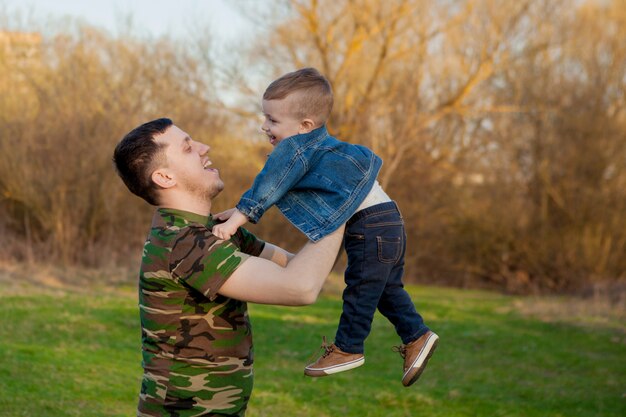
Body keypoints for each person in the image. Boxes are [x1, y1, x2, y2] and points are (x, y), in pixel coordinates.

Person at [211, 68, 438, 387]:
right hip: (388, 220)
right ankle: (417, 336)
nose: (265, 126)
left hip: (369, 225)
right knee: (386, 289)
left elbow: (270, 184)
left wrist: (238, 218)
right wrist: (238, 210)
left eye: (273, 121)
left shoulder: (297, 148)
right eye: (266, 118)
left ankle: (348, 348)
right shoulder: (322, 146)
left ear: (305, 126)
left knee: (360, 287)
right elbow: (276, 187)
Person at [113, 118, 345, 417]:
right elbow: (299, 288)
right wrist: (344, 206)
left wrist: (335, 205)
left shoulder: (214, 230)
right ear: (165, 177)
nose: (204, 147)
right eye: (187, 148)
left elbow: (306, 270)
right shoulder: (182, 242)